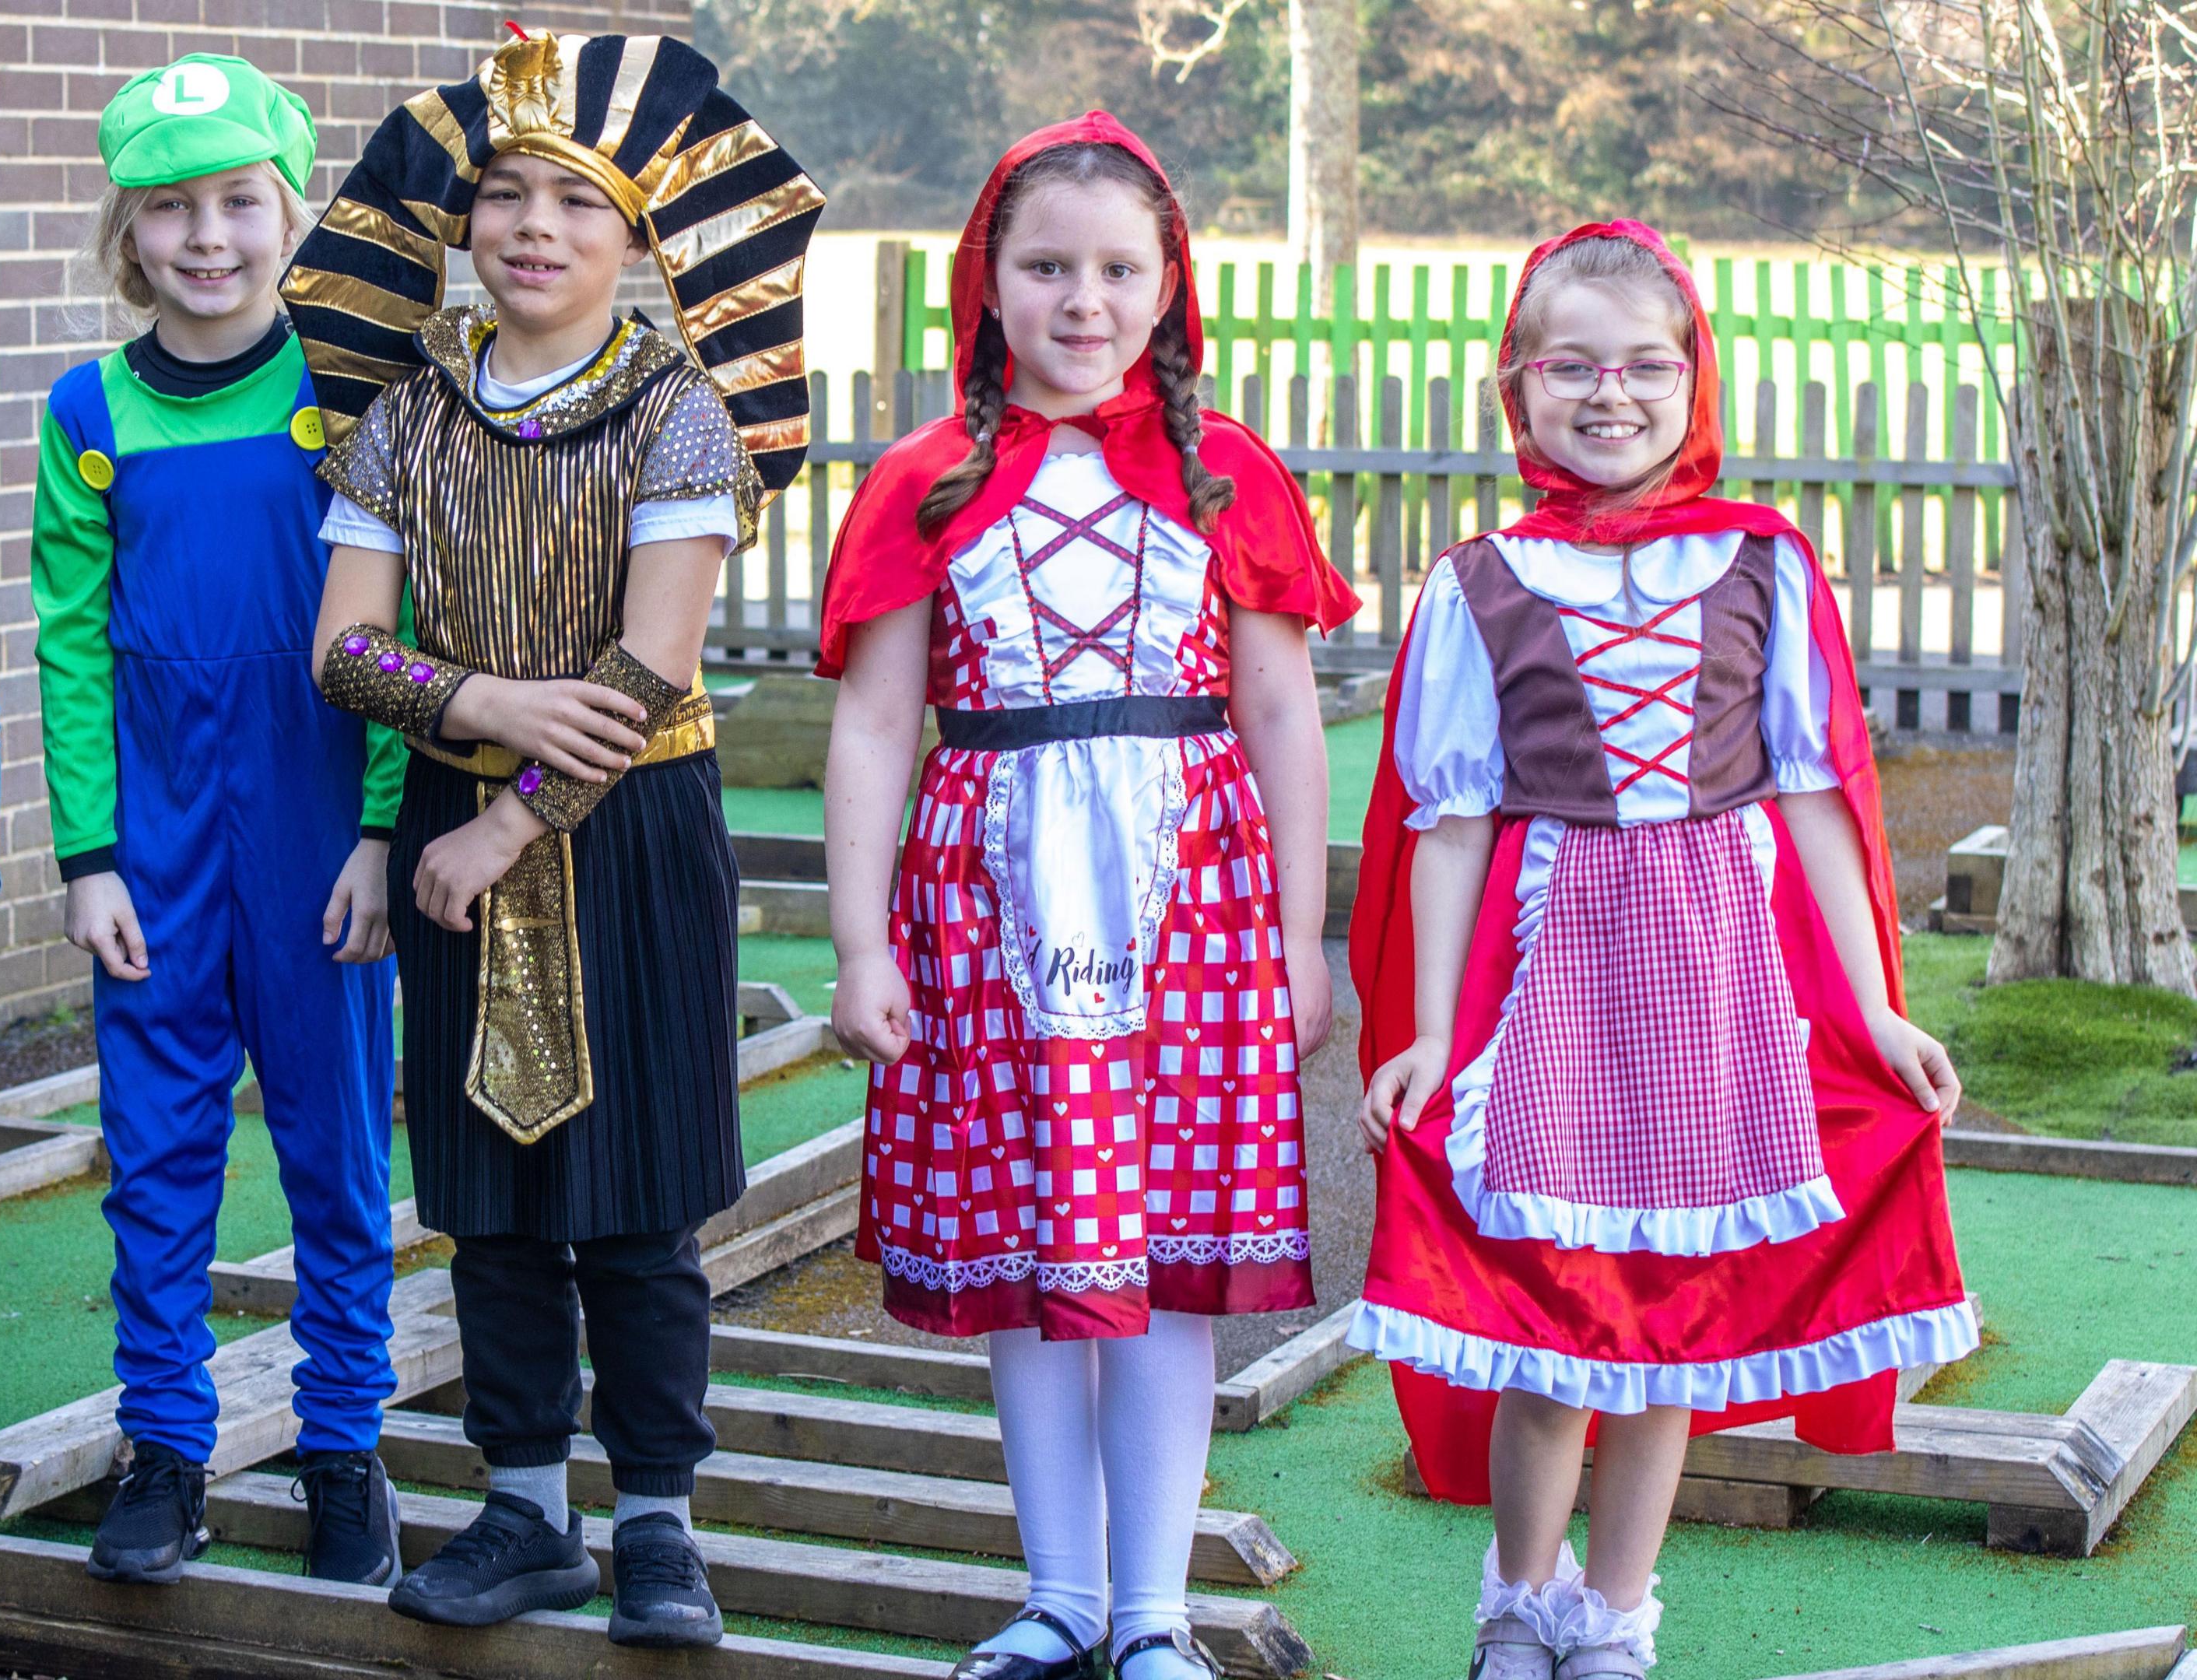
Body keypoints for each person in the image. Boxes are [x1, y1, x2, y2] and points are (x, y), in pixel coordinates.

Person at [1345, 221, 1978, 1680]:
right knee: (1552, 1328)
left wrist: (1875, 1009)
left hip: (1721, 990)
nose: (1609, 394)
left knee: (1668, 1338)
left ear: (1696, 380)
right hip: (1554, 985)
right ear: (1519, 387)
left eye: (1645, 365)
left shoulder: (1762, 561)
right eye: (1572, 366)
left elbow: (1819, 796)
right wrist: (1432, 1031)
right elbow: (1449, 823)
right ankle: (1520, 1601)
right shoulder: (1480, 581)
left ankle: (1617, 1617)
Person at [283, 25, 822, 1650]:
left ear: (634, 242)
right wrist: (497, 717)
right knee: (496, 1197)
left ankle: (659, 1521)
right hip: (471, 794)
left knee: (637, 1205)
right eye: (503, 197)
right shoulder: (404, 419)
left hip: (633, 819)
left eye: (575, 205)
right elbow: (343, 651)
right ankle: (525, 1509)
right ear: (462, 229)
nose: (533, 228)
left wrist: (507, 816)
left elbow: (652, 665)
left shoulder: (678, 416)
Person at [812, 114, 1353, 1680]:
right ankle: (1058, 1596)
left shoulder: (1225, 472)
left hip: (1196, 910)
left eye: (1121, 269)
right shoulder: (924, 482)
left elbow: (1278, 711)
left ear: (1171, 281)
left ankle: (1157, 1613)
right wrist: (859, 941)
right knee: (1029, 1272)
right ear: (986, 282)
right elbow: (869, 723)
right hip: (984, 913)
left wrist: (1303, 935)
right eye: (1045, 267)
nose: (1083, 301)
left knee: (1166, 1262)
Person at [30, 52, 409, 1591]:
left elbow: (402, 627)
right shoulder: (87, 411)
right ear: (129, 231)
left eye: (237, 202)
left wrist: (383, 831)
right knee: (158, 1149)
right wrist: (87, 855)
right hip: (163, 843)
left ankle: (343, 1448)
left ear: (288, 208)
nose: (207, 237)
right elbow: (65, 637)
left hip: (323, 825)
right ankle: (165, 1448)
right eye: (171, 208)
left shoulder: (348, 392)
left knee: (336, 1149)